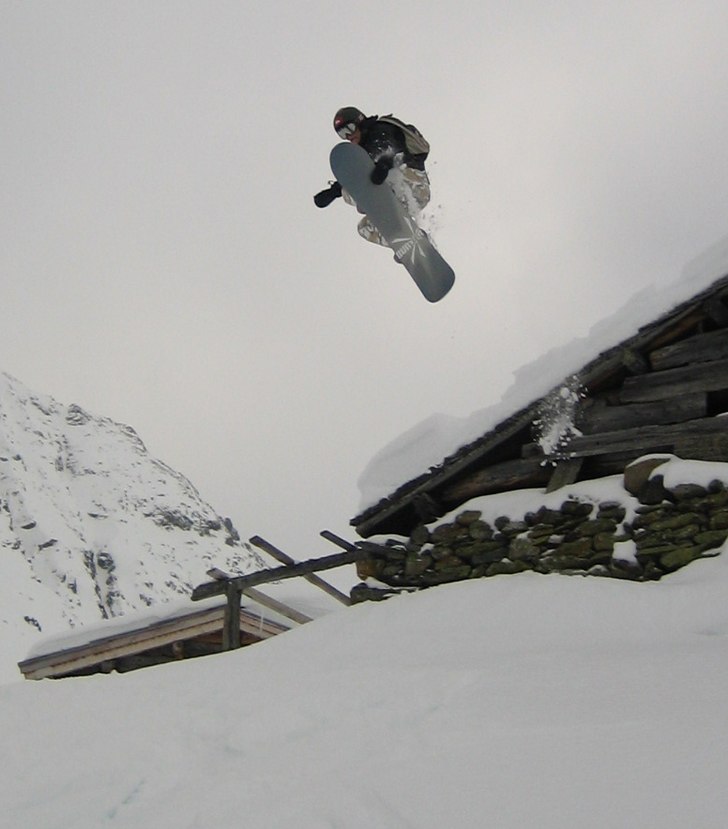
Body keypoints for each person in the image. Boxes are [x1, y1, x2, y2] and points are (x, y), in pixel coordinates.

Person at [314, 106, 431, 247]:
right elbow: (356, 173)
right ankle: (408, 242)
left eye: (349, 128)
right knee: (365, 228)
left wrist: (385, 163)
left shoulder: (380, 129)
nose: (348, 136)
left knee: (364, 184)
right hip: (404, 199)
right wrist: (333, 192)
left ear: (359, 121)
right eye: (342, 134)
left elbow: (388, 149)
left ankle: (382, 203)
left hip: (412, 183)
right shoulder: (361, 155)